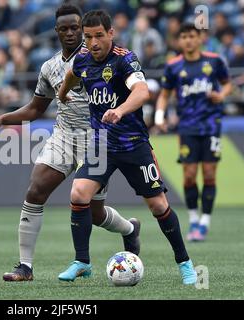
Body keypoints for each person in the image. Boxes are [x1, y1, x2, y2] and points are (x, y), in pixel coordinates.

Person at [0, 4, 140, 282]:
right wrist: (2, 119)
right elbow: (35, 109)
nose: (70, 33)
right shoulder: (49, 67)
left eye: (75, 28)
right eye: (64, 29)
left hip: (98, 138)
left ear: (83, 28)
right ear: (56, 31)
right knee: (35, 190)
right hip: (64, 135)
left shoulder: (101, 58)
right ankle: (25, 267)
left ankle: (128, 229)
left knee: (94, 211)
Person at [58, 10, 196, 285]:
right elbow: (73, 74)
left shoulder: (124, 60)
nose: (93, 42)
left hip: (134, 144)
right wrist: (62, 93)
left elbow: (143, 91)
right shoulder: (83, 59)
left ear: (111, 33)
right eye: (88, 37)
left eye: (99, 36)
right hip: (101, 145)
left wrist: (120, 110)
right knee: (79, 192)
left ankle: (185, 262)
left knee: (158, 205)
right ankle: (82, 262)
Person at [155, 23, 232, 241]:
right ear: (179, 40)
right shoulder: (173, 66)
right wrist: (160, 117)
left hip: (211, 125)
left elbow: (227, 84)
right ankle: (193, 220)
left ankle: (205, 221)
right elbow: (164, 94)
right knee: (189, 176)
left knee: (209, 173)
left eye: (192, 36)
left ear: (200, 38)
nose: (188, 40)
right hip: (187, 126)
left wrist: (222, 95)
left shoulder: (214, 61)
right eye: (184, 36)